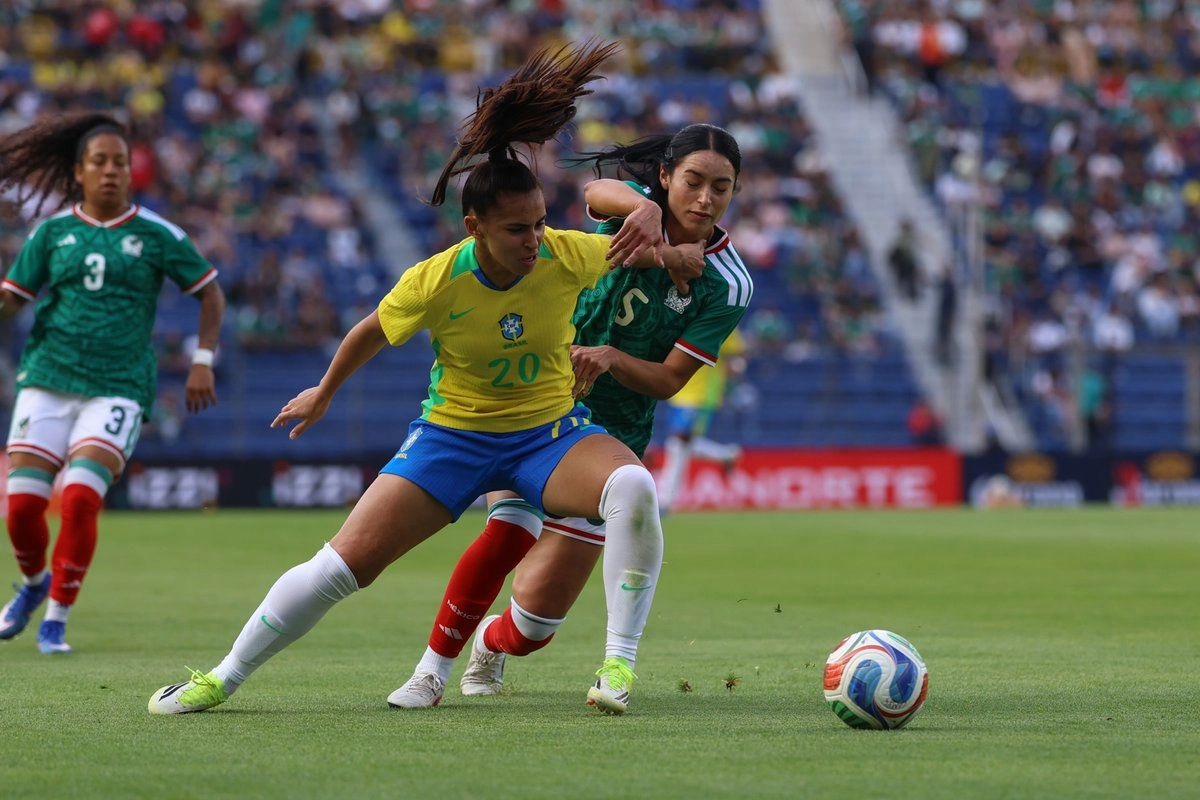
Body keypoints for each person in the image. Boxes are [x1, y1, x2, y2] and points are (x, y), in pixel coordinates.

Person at [147, 40, 689, 715]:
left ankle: (617, 668)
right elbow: (368, 331)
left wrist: (669, 240)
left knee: (633, 485)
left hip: (548, 435)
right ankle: (220, 678)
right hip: (452, 437)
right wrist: (324, 391)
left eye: (541, 224)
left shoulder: (567, 255)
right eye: (518, 230)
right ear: (474, 228)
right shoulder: (435, 280)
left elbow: (640, 245)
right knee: (343, 567)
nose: (535, 240)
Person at [388, 123, 751, 713]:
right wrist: (646, 214)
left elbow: (667, 381)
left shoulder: (729, 283)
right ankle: (430, 672)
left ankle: (491, 642)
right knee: (506, 534)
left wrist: (609, 358)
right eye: (692, 181)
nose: (705, 198)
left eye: (721, 187)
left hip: (610, 437)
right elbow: (594, 193)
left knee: (533, 626)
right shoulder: (633, 214)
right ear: (665, 178)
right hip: (535, 407)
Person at [0, 112, 225, 654]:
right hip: (48, 377)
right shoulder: (52, 233)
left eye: (119, 163)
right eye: (98, 162)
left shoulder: (156, 235)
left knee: (79, 497)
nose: (110, 171)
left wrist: (202, 360)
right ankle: (34, 586)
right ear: (78, 172)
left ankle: (57, 618)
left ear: (131, 172)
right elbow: (12, 301)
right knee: (23, 508)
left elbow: (210, 293)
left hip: (117, 385)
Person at [656, 327, 747, 514]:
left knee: (679, 440)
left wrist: (732, 368)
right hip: (680, 391)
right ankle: (726, 455)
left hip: (702, 394)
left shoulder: (722, 315)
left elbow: (739, 352)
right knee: (679, 444)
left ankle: (665, 501)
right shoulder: (687, 312)